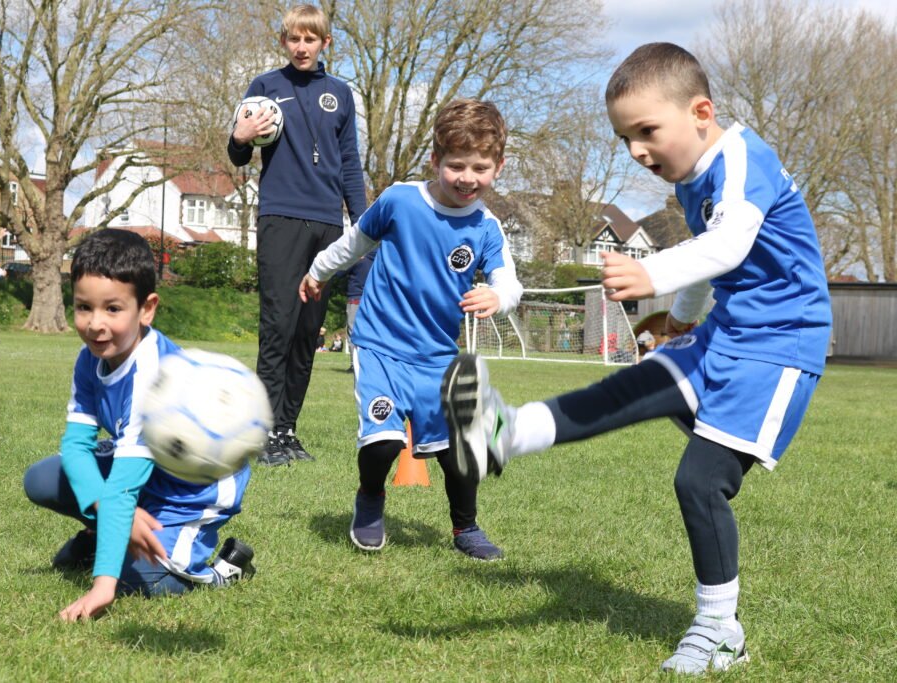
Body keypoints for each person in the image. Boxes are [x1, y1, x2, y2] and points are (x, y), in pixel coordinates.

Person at [441, 43, 831, 674]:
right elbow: (712, 254)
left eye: (646, 132)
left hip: (779, 348)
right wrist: (680, 319)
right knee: (621, 390)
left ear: (700, 111)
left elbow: (730, 244)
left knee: (700, 482)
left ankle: (719, 629)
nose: (637, 153)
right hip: (725, 334)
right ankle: (502, 434)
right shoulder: (696, 179)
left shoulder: (741, 159)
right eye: (625, 139)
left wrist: (649, 273)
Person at [300, 98, 523, 560]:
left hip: (438, 357)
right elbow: (354, 242)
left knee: (459, 448)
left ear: (498, 167)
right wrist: (318, 272)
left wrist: (499, 297)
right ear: (435, 161)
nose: (468, 178)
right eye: (456, 165)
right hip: (379, 344)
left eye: (480, 167)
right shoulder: (401, 199)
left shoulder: (486, 227)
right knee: (383, 442)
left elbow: (508, 281)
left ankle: (466, 528)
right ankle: (370, 499)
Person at [22, 229, 255, 622]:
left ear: (146, 309)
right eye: (84, 307)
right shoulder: (89, 358)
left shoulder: (154, 376)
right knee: (43, 479)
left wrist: (103, 587)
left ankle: (223, 571)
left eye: (113, 309)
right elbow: (77, 445)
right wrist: (106, 507)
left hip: (189, 495)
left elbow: (123, 486)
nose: (96, 324)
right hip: (144, 475)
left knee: (144, 580)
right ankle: (106, 535)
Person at [227, 3, 367, 467]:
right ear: (283, 41)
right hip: (281, 219)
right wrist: (241, 136)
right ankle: (260, 432)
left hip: (328, 225)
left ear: (326, 43)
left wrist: (362, 230)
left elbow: (350, 166)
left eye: (311, 39)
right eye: (294, 39)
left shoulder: (341, 94)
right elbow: (238, 155)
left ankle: (286, 431)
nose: (301, 47)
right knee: (278, 327)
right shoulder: (265, 88)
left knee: (308, 332)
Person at [344, 248, 377, 371]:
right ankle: (369, 364)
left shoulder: (357, 258)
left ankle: (354, 364)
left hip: (355, 299)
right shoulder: (379, 256)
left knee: (352, 332)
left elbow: (340, 272)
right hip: (373, 300)